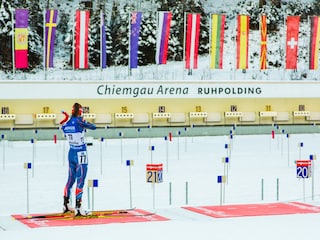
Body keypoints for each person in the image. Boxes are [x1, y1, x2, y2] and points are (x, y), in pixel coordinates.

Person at [61, 103, 96, 216]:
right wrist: (83, 120)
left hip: (71, 152)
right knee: (81, 179)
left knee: (70, 179)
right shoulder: (79, 120)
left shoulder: (67, 123)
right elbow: (93, 127)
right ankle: (78, 207)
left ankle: (66, 204)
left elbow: (63, 127)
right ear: (80, 111)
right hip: (80, 153)